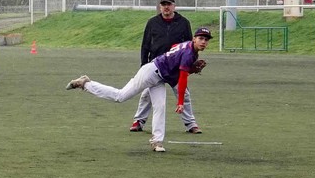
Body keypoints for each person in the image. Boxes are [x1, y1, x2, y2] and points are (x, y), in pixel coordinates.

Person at [66, 27, 211, 153]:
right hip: (150, 73)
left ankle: (157, 141)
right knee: (120, 96)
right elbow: (182, 79)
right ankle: (85, 84)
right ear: (194, 39)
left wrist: (186, 66)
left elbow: (174, 47)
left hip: (159, 77)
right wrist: (180, 102)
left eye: (206, 39)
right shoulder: (189, 53)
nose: (203, 41)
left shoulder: (187, 47)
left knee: (160, 107)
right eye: (201, 38)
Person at [129, 0, 200, 135]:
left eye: (169, 4)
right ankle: (138, 121)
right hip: (156, 66)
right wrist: (144, 64)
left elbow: (190, 46)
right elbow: (145, 45)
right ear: (160, 6)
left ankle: (190, 124)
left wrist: (190, 64)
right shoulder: (152, 23)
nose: (166, 7)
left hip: (175, 67)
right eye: (163, 4)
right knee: (146, 95)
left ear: (174, 6)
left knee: (183, 94)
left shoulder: (183, 23)